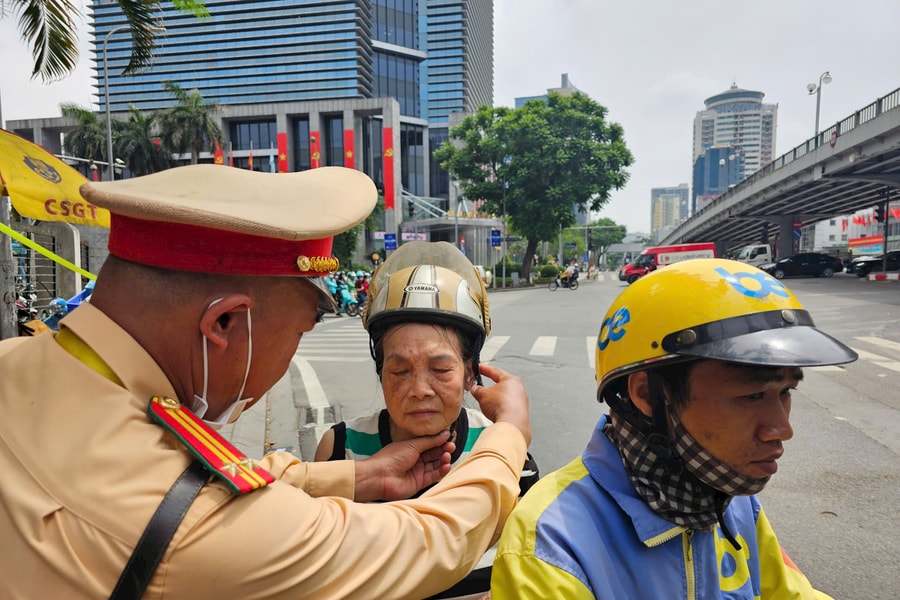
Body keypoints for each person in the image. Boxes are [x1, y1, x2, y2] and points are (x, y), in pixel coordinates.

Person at [0, 164, 532, 599]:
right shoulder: (192, 526)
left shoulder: (16, 362)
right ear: (225, 324)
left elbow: (217, 477)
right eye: (299, 332)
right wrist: (511, 434)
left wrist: (353, 480)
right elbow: (425, 542)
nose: (418, 387)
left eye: (440, 369)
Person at [491, 258, 857, 599]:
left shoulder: (735, 505)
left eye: (786, 392)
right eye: (752, 396)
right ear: (646, 394)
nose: (781, 429)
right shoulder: (551, 543)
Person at [315, 241, 540, 599]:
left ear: (470, 374)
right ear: (381, 373)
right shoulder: (339, 447)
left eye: (440, 369)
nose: (419, 389)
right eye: (399, 370)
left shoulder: (499, 448)